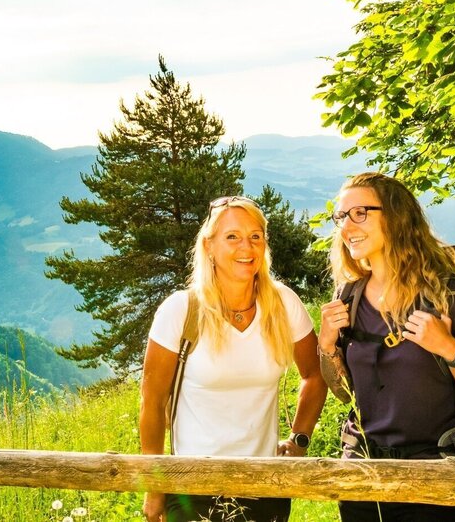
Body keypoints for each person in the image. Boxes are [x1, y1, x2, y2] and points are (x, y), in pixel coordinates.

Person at [318, 172, 455, 522]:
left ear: (396, 216)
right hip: (362, 475)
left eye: (360, 213)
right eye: (341, 216)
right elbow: (344, 393)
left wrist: (450, 349)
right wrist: (327, 345)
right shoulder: (348, 296)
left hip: (439, 478)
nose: (346, 226)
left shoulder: (452, 295)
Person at [140, 195, 327, 522]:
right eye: (232, 237)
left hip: (265, 485)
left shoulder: (283, 304)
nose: (247, 247)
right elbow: (152, 402)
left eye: (256, 236)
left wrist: (299, 439)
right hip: (193, 486)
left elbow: (315, 374)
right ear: (209, 246)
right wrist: (154, 487)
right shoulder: (181, 310)